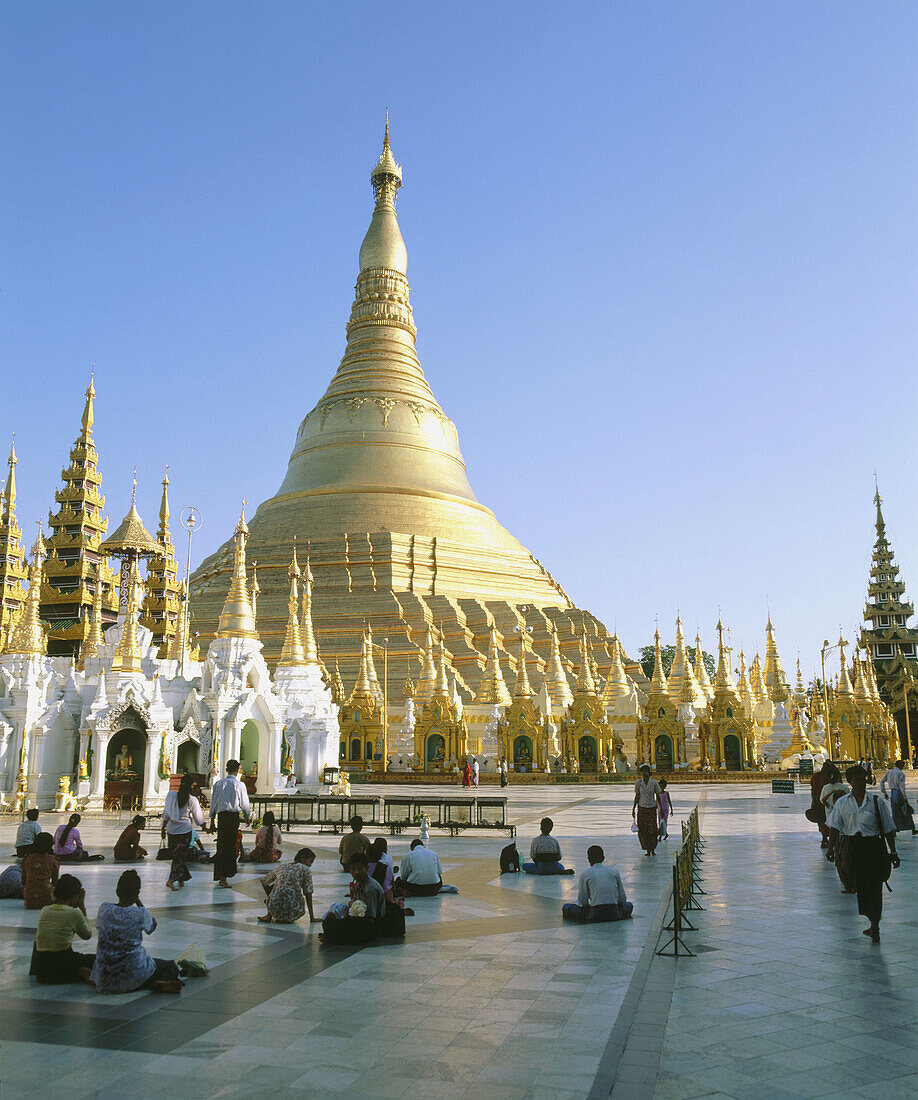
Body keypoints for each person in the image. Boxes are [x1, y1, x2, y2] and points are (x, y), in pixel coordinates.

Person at [826, 764, 900, 943]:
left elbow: (888, 829)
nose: (860, 782)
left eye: (863, 779)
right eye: (856, 779)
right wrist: (830, 848)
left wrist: (893, 851)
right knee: (859, 885)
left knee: (874, 886)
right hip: (852, 847)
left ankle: (875, 925)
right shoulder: (842, 803)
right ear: (850, 782)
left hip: (873, 848)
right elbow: (835, 827)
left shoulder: (876, 802)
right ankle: (871, 919)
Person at [90, 870, 182, 993]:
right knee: (169, 966)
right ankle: (158, 982)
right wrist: (138, 901)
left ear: (117, 891)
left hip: (105, 976)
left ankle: (93, 977)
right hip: (131, 972)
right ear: (137, 893)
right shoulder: (140, 913)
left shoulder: (104, 909)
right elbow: (152, 926)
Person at [29, 874, 94, 984]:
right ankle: (80, 971)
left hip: (42, 971)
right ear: (74, 896)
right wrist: (82, 908)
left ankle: (80, 971)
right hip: (62, 965)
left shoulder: (45, 910)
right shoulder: (73, 912)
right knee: (97, 959)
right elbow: (87, 935)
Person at [320, 853, 386, 946]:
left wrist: (350, 919)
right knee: (330, 918)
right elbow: (354, 906)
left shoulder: (370, 888)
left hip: (370, 928)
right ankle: (331, 936)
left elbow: (371, 919)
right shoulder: (359, 885)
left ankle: (331, 937)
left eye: (359, 868)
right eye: (353, 869)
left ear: (366, 868)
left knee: (333, 924)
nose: (356, 872)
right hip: (361, 921)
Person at [562, 846, 633, 923]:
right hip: (615, 913)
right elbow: (622, 899)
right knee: (629, 905)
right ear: (603, 858)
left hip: (595, 914)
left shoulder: (585, 874)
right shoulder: (614, 871)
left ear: (589, 859)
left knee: (566, 907)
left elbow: (583, 902)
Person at [209, 759, 251, 888]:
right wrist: (247, 815)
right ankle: (224, 877)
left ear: (227, 769)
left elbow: (214, 802)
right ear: (237, 770)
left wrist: (211, 820)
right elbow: (244, 803)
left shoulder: (219, 784)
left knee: (221, 846)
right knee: (231, 846)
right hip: (233, 818)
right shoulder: (239, 785)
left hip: (222, 818)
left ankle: (222, 876)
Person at [162, 775, 205, 891]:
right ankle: (171, 880)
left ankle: (181, 879)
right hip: (184, 831)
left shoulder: (172, 797)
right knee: (179, 857)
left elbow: (166, 814)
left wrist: (163, 829)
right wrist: (206, 827)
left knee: (177, 856)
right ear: (191, 786)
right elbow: (198, 819)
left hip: (171, 831)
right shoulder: (192, 800)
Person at [259, 848, 317, 924]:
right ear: (303, 858)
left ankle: (269, 915)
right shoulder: (305, 869)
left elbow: (264, 881)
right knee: (290, 889)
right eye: (310, 862)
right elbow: (308, 893)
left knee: (278, 886)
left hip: (274, 908)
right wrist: (312, 917)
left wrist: (270, 897)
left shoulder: (283, 866)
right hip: (293, 911)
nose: (310, 865)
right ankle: (283, 915)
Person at [21, 833, 60, 909]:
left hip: (29, 899)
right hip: (47, 898)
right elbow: (55, 882)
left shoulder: (27, 858)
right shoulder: (53, 860)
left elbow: (23, 881)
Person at [632, 765, 663, 857]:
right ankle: (646, 848)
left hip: (652, 808)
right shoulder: (638, 783)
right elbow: (637, 796)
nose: (644, 774)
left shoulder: (653, 783)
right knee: (642, 829)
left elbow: (658, 796)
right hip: (642, 808)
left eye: (646, 771)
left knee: (652, 829)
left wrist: (660, 808)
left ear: (649, 772)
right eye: (642, 772)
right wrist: (633, 808)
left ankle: (652, 848)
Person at [880, 760, 918, 835]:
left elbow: (882, 781)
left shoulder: (889, 772)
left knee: (895, 813)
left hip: (892, 793)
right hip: (899, 793)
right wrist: (905, 797)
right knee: (906, 811)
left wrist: (884, 793)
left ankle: (894, 830)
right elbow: (902, 787)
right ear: (901, 766)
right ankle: (912, 829)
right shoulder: (900, 773)